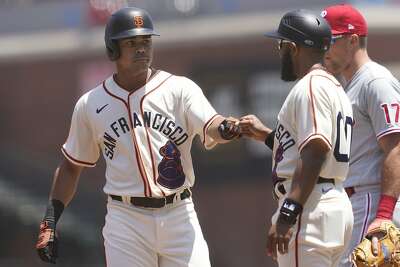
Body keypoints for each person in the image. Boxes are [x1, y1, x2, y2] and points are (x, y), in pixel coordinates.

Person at [35, 7, 240, 267]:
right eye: (132, 42)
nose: (141, 48)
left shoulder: (179, 89)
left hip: (179, 213)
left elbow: (212, 124)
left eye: (146, 41)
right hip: (126, 220)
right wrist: (50, 220)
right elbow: (71, 166)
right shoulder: (91, 104)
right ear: (113, 49)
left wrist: (225, 128)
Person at [239, 9, 354, 266]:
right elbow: (311, 147)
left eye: (280, 45)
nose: (279, 52)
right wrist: (269, 137)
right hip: (334, 203)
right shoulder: (334, 87)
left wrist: (288, 212)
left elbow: (315, 151)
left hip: (310, 206)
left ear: (292, 47)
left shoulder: (309, 87)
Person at [321, 4, 400, 266]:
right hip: (354, 202)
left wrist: (384, 215)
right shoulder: (348, 87)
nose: (324, 49)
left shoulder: (375, 82)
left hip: (372, 201)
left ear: (352, 40)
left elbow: (396, 147)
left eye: (330, 40)